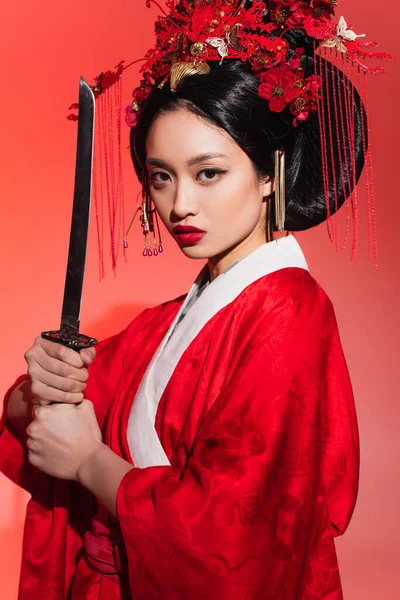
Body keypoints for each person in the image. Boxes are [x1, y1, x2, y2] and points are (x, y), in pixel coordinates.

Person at [0, 1, 391, 598]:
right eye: (161, 175)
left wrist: (88, 463)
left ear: (270, 174)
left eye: (208, 173)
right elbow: (61, 415)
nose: (179, 203)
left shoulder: (289, 314)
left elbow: (231, 541)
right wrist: (42, 391)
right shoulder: (167, 324)